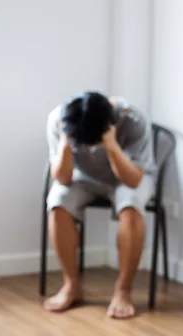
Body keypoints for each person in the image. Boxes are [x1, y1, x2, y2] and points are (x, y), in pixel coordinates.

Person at [44, 91, 156, 319]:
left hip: (127, 175)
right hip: (82, 177)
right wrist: (66, 143)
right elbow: (63, 178)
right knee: (57, 203)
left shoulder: (133, 120)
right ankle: (71, 285)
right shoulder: (60, 119)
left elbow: (133, 180)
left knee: (131, 205)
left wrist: (111, 145)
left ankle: (123, 290)